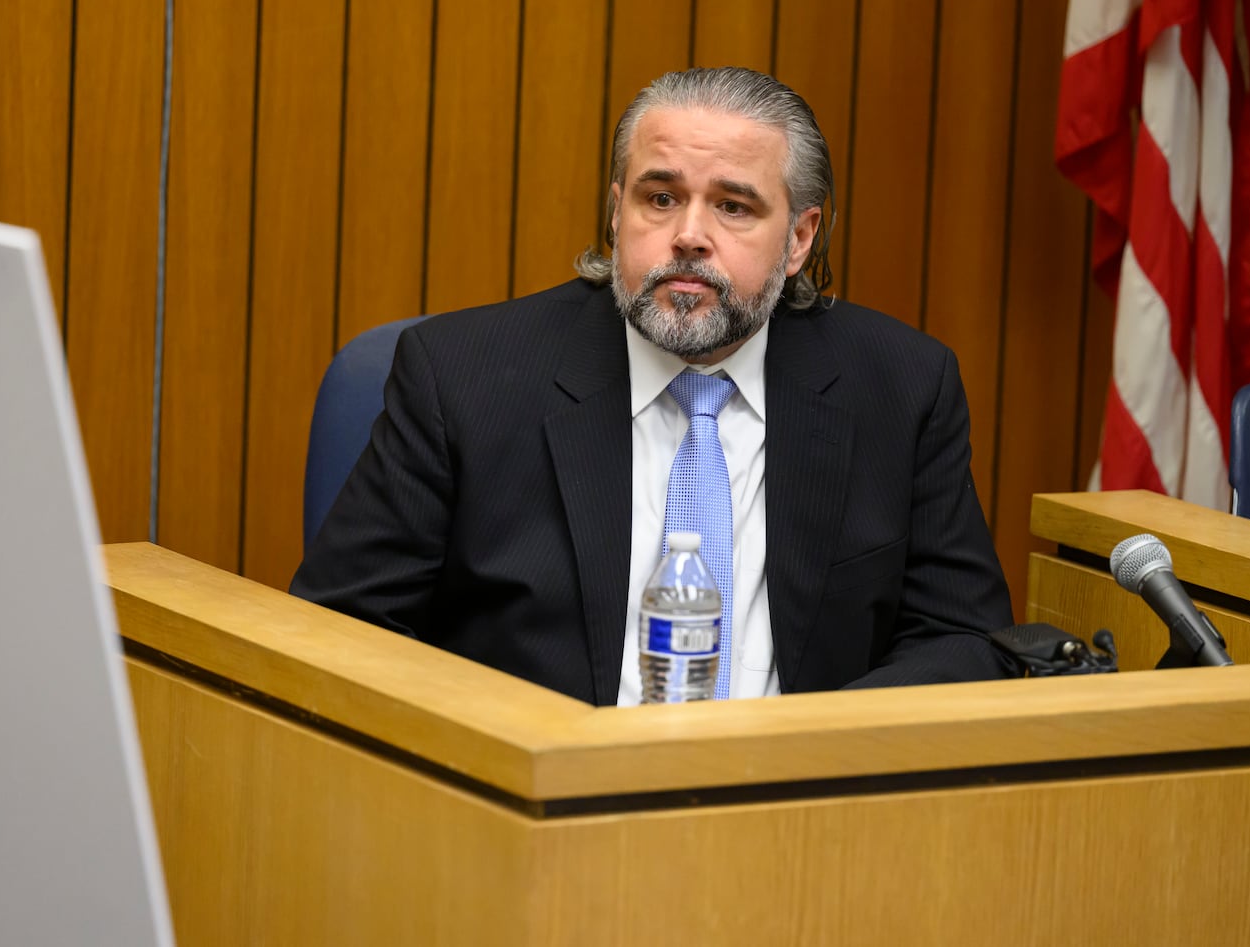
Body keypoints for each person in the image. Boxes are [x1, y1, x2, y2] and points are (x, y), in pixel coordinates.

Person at [291, 66, 1015, 706]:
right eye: (660, 198)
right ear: (615, 215)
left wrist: (813, 747)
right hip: (540, 813)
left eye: (734, 206)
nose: (689, 235)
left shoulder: (899, 388)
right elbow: (340, 627)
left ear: (799, 238)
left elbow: (962, 636)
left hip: (794, 820)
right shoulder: (462, 376)